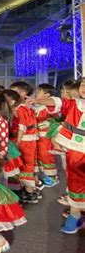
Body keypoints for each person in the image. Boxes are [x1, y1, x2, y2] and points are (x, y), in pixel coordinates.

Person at [29, 79, 85, 234]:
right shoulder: (73, 105)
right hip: (76, 151)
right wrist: (39, 100)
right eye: (82, 85)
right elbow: (56, 103)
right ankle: (75, 216)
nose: (84, 88)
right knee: (76, 182)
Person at [4, 89, 39, 203]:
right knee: (25, 164)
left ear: (12, 101)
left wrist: (17, 141)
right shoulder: (22, 108)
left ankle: (30, 191)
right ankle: (27, 190)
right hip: (26, 140)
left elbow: (22, 126)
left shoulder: (21, 109)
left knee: (25, 164)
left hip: (25, 141)